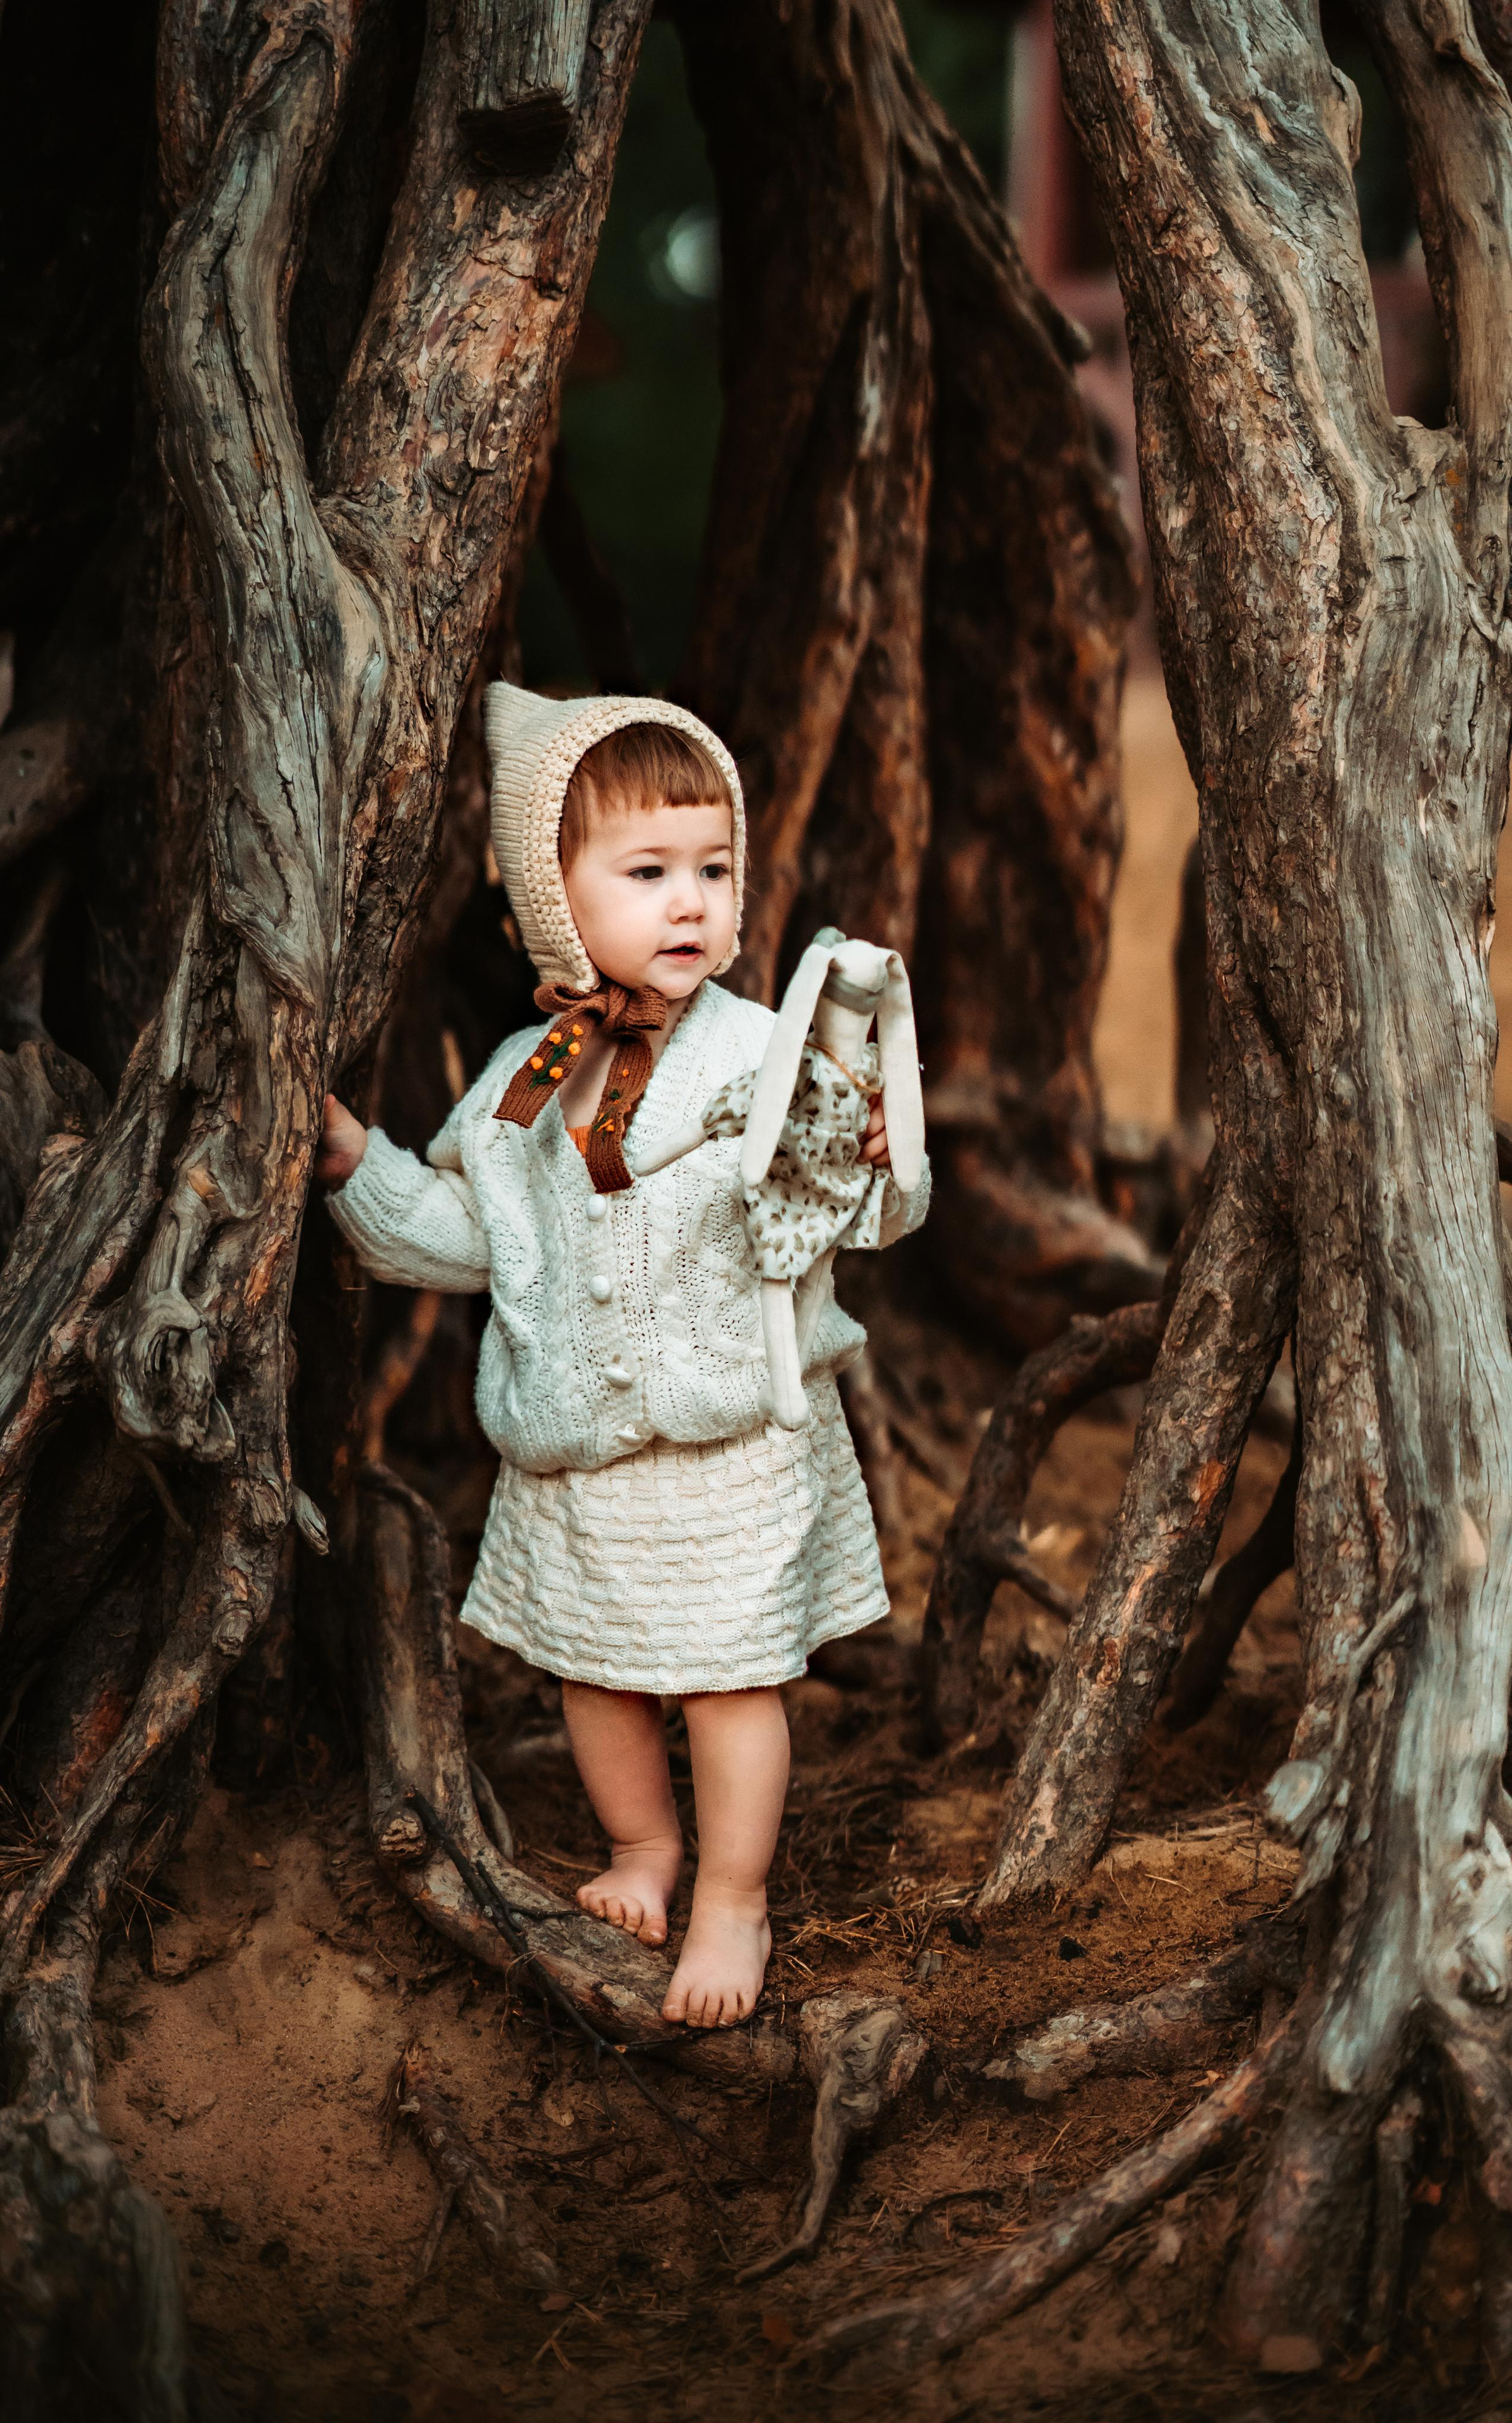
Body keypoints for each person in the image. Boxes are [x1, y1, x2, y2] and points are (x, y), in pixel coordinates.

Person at [316, 682, 929, 2027]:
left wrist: (878, 1152)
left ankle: (731, 1898)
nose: (690, 903)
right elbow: (464, 1235)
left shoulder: (764, 1054)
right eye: (646, 873)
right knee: (595, 1670)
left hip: (730, 1443)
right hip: (582, 1458)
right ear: (552, 898)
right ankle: (643, 1852)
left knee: (728, 1680)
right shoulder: (522, 1080)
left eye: (711, 869)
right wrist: (357, 1167)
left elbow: (846, 1210)